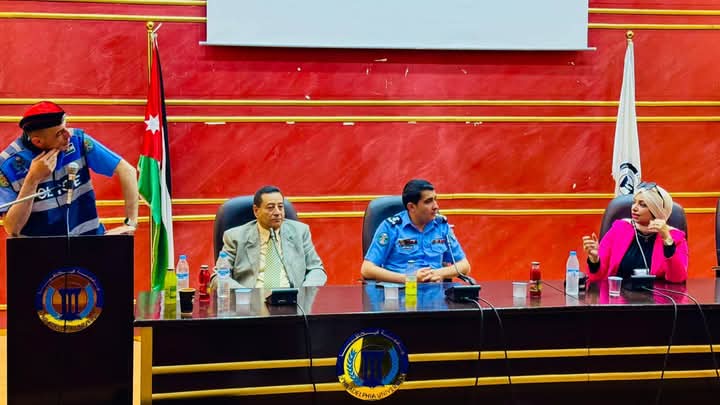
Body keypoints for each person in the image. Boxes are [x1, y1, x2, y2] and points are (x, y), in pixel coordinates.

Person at [0, 101, 138, 236]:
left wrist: (130, 223)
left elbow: (127, 171)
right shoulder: (6, 164)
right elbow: (12, 228)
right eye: (60, 133)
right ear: (38, 141)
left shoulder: (78, 141)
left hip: (89, 241)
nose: (68, 135)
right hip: (41, 248)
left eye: (66, 127)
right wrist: (33, 179)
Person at [215, 185, 327, 288]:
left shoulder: (300, 232)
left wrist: (304, 291)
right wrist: (244, 294)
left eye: (280, 207)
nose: (277, 212)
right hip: (252, 299)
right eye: (270, 207)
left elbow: (316, 269)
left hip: (292, 298)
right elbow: (218, 276)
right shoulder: (235, 237)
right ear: (256, 211)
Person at [361, 179, 471, 283]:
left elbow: (464, 266)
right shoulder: (391, 227)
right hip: (401, 291)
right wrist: (409, 278)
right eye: (428, 201)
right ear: (411, 207)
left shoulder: (441, 226)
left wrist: (438, 273)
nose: (436, 206)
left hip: (435, 291)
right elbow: (367, 269)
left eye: (435, 199)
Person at [581, 182, 688, 283]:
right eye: (634, 202)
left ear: (656, 211)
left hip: (657, 296)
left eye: (642, 205)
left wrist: (667, 241)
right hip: (618, 294)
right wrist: (594, 260)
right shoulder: (619, 229)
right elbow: (597, 278)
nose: (634, 208)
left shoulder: (675, 238)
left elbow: (678, 279)